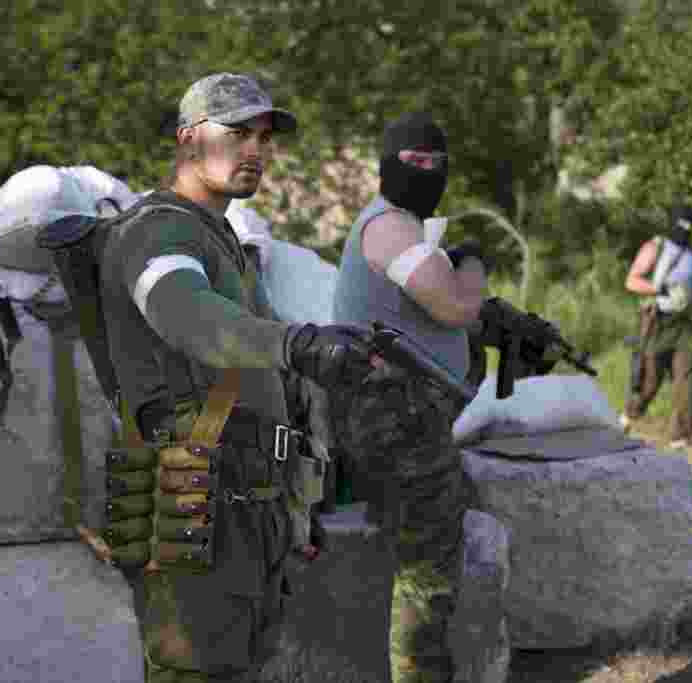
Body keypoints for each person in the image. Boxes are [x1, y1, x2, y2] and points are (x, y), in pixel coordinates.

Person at [98, 72, 374, 683]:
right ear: (190, 140)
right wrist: (294, 343)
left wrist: (338, 344)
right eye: (238, 133)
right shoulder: (159, 231)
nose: (256, 150)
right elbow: (185, 314)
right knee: (195, 669)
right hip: (198, 500)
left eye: (265, 137)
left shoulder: (216, 236)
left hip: (248, 501)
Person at [330, 111, 490, 682]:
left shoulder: (399, 225)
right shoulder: (390, 226)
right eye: (412, 161)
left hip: (404, 416)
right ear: (386, 166)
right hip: (394, 418)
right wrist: (472, 264)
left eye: (434, 163)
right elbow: (452, 305)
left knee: (431, 556)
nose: (424, 171)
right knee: (426, 575)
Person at [621, 203, 692, 449]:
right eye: (682, 224)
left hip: (683, 325)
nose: (685, 231)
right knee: (650, 381)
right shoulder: (654, 248)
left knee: (688, 376)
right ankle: (629, 413)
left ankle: (680, 435)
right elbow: (632, 281)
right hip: (656, 321)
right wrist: (661, 289)